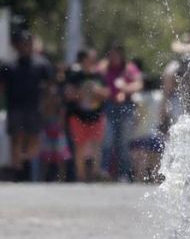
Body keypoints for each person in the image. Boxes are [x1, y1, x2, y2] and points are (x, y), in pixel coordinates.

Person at [0, 29, 53, 181]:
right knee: (16, 138)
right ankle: (17, 170)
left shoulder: (42, 64)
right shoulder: (8, 65)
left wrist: (49, 105)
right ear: (17, 46)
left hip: (34, 107)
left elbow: (50, 87)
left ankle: (26, 162)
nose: (26, 46)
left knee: (35, 139)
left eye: (28, 43)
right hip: (14, 107)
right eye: (23, 43)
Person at [65, 50, 110, 182]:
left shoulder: (98, 76)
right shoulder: (74, 76)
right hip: (78, 117)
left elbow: (107, 93)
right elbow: (68, 94)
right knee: (80, 147)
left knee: (97, 146)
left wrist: (95, 90)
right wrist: (82, 92)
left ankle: (95, 174)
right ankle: (81, 176)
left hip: (96, 116)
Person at [100, 44, 143, 181]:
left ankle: (123, 174)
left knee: (124, 142)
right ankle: (105, 172)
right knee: (108, 140)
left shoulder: (129, 68)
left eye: (116, 54)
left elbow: (139, 84)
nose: (114, 57)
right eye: (111, 54)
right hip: (109, 106)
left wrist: (124, 88)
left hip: (126, 106)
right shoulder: (103, 68)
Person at [39, 83, 71, 181]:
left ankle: (62, 179)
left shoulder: (61, 109)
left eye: (54, 96)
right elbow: (43, 118)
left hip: (58, 133)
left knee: (61, 158)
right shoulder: (44, 106)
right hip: (47, 133)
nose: (52, 98)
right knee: (44, 158)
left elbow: (62, 123)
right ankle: (42, 179)